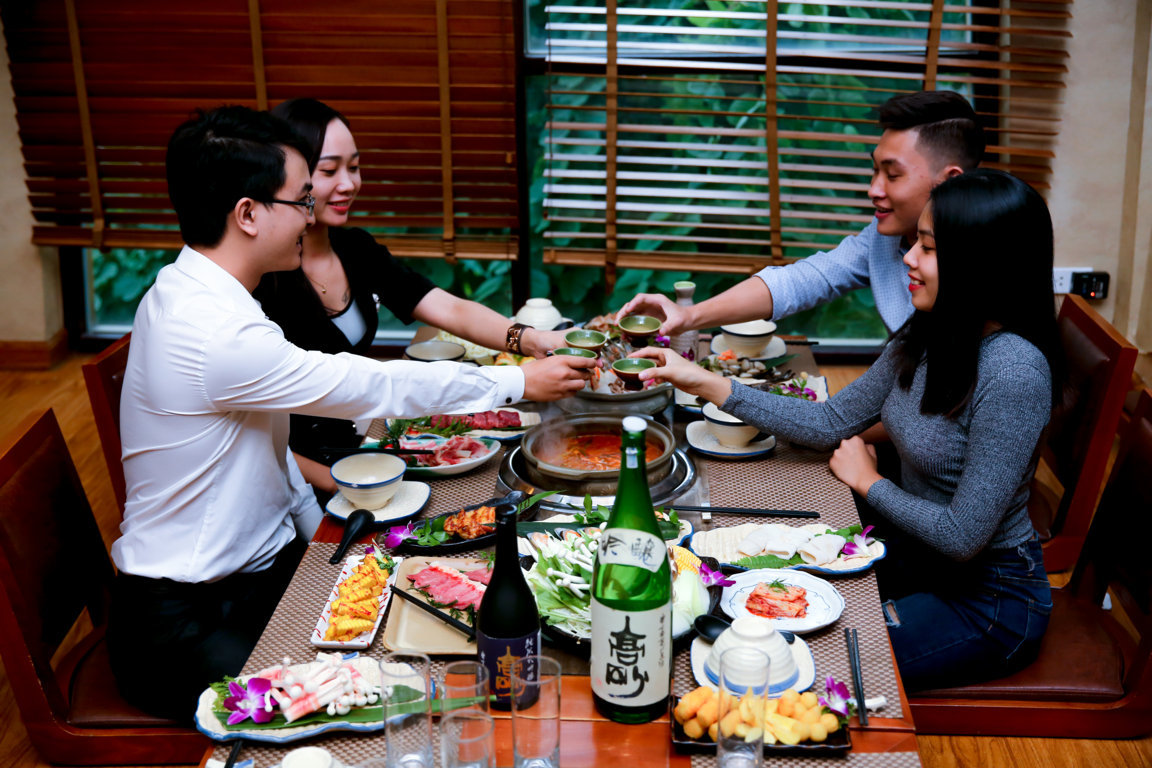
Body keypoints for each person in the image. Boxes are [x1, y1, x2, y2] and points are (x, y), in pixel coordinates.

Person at [106, 106, 591, 719]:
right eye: (300, 199)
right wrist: (517, 381)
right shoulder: (212, 332)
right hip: (184, 621)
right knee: (375, 703)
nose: (310, 214)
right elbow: (365, 384)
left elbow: (266, 452)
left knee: (420, 623)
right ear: (249, 214)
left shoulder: (207, 295)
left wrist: (328, 541)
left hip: (259, 576)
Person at [633, 169, 1064, 691]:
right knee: (741, 603)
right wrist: (702, 380)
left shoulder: (1013, 371)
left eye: (927, 248)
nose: (907, 258)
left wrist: (868, 482)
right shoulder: (933, 331)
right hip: (919, 559)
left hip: (988, 602)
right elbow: (831, 421)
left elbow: (962, 536)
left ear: (980, 263)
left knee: (789, 666)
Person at [254, 98, 572, 496]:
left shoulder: (353, 248)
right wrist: (341, 485)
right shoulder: (264, 278)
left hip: (357, 455)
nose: (349, 184)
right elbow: (259, 437)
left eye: (354, 167)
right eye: (329, 170)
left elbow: (447, 307)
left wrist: (531, 340)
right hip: (300, 480)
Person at [618, 90, 985, 337]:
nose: (873, 189)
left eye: (892, 175)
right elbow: (806, 280)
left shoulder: (1000, 272)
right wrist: (690, 316)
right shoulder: (884, 238)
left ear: (949, 182)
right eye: (874, 171)